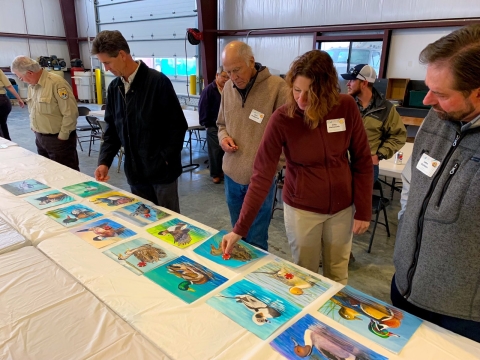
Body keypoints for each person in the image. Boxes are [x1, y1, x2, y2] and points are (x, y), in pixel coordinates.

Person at [222, 50, 373, 284]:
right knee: (305, 277)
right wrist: (240, 229)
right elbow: (262, 175)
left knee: (337, 274)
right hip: (303, 209)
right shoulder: (283, 119)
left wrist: (363, 209)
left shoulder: (345, 107)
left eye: (311, 93)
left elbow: (362, 160)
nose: (301, 100)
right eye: (297, 90)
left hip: (342, 207)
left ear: (326, 90)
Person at [393, 24, 480, 343]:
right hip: (406, 285)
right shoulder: (439, 117)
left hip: (462, 314)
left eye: (441, 93)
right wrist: (406, 228)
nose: (428, 100)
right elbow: (412, 182)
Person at [91, 30, 187, 213]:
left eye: (107, 63)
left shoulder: (158, 82)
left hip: (162, 174)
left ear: (121, 55)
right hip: (135, 173)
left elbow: (177, 126)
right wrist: (104, 161)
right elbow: (112, 129)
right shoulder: (114, 88)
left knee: (169, 223)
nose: (106, 69)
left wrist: (164, 159)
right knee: (144, 219)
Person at [217, 41, 287, 251]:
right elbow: (221, 124)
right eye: (228, 72)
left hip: (260, 180)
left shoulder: (277, 88)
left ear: (251, 61)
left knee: (255, 241)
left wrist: (271, 169)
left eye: (236, 70)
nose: (232, 77)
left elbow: (287, 138)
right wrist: (223, 138)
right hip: (231, 176)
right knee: (237, 236)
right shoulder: (228, 87)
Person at [11, 56, 79, 170]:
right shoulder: (32, 86)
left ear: (30, 73)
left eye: (21, 78)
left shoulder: (56, 83)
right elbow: (33, 108)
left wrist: (63, 136)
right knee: (48, 174)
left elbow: (70, 113)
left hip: (58, 140)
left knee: (67, 175)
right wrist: (35, 128)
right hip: (40, 138)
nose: (21, 80)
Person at [341, 64, 406, 183]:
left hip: (367, 167)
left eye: (352, 80)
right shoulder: (344, 105)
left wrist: (380, 155)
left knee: (362, 201)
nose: (348, 84)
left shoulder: (386, 109)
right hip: (341, 164)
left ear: (364, 83)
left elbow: (399, 136)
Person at [198, 66, 229, 184]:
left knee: (224, 151)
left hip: (226, 125)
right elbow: (203, 108)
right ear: (217, 76)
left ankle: (222, 171)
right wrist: (207, 124)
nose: (226, 79)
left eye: (228, 77)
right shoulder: (209, 90)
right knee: (215, 151)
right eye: (224, 76)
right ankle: (215, 174)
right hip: (213, 125)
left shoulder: (229, 90)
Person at [0, 69, 24, 140]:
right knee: (3, 124)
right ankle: (7, 144)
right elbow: (9, 85)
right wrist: (19, 98)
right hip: (3, 100)